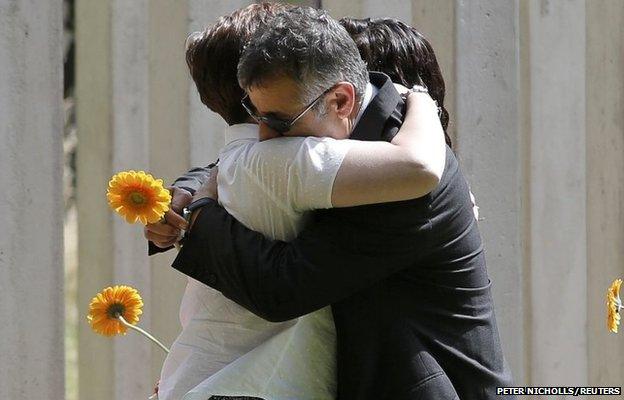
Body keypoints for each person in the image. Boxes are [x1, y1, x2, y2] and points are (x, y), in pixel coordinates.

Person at [164, 7, 515, 400]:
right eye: (253, 115)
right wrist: (194, 185)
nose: (263, 137)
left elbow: (281, 288)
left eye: (277, 122)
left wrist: (201, 216)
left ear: (341, 100)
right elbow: (260, 163)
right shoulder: (358, 138)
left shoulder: (405, 184)